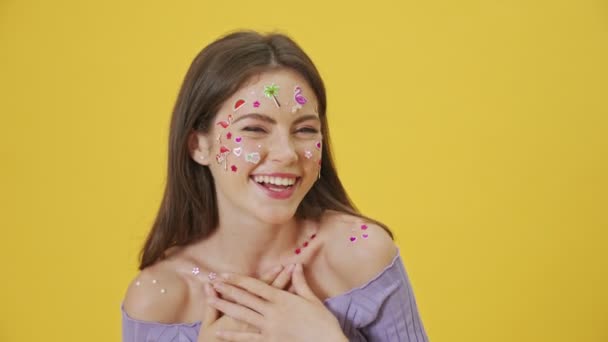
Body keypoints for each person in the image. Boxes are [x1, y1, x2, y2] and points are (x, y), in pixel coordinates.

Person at [121, 30, 429, 342]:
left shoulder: (360, 252)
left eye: (305, 129)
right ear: (199, 146)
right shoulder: (158, 298)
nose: (287, 153)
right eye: (255, 128)